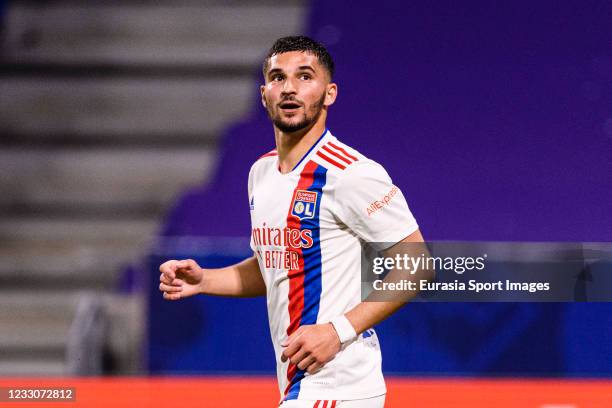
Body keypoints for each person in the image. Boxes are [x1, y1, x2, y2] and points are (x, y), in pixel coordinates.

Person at [159, 36, 427, 408]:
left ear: (329, 93)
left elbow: (417, 264)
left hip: (338, 386)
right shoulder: (261, 172)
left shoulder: (350, 173)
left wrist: (337, 331)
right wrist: (205, 279)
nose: (289, 88)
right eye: (278, 77)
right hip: (300, 388)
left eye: (304, 77)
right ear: (264, 93)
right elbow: (275, 266)